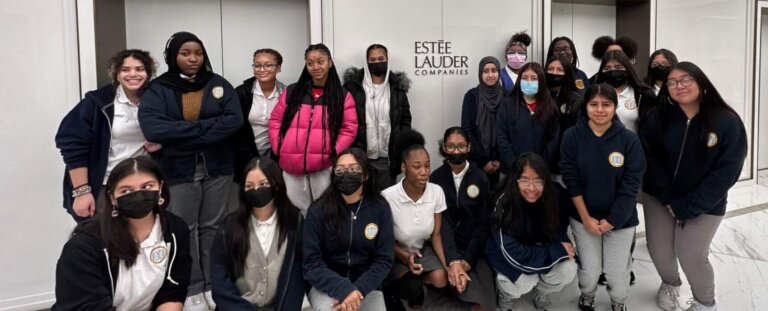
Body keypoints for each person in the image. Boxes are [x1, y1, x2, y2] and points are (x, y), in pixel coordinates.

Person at [138, 31, 243, 310]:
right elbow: (154, 128)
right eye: (185, 53)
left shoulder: (218, 84)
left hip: (218, 168)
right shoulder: (158, 89)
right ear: (173, 56)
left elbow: (233, 122)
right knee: (184, 229)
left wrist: (177, 139)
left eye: (197, 52)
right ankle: (192, 287)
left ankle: (213, 284)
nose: (193, 58)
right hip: (178, 171)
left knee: (214, 227)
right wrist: (207, 128)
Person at [639, 62, 747, 311]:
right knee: (659, 249)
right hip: (660, 196)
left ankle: (704, 301)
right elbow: (648, 158)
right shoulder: (658, 117)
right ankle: (670, 283)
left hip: (706, 201)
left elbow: (727, 171)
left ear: (701, 82)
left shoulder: (726, 121)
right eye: (673, 82)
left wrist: (691, 205)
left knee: (691, 254)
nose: (679, 86)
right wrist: (668, 196)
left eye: (686, 79)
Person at [53, 156, 191, 310]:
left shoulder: (175, 229)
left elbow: (173, 291)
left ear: (160, 188)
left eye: (147, 187)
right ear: (112, 198)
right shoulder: (84, 246)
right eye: (126, 190)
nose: (138, 196)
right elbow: (88, 306)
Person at [560, 84, 646, 311]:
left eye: (606, 105)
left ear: (615, 107)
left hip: (621, 219)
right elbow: (571, 180)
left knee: (616, 270)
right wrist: (586, 218)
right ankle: (587, 295)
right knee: (589, 268)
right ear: (585, 107)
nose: (600, 110)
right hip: (583, 217)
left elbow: (631, 187)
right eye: (594, 104)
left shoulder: (629, 141)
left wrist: (613, 220)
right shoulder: (572, 136)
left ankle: (619, 301)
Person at [55, 49, 160, 222]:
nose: (133, 74)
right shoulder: (97, 103)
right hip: (105, 186)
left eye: (139, 69)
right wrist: (82, 192)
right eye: (125, 69)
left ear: (148, 73)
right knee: (103, 242)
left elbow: (171, 130)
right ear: (116, 74)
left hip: (142, 185)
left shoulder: (157, 100)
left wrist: (161, 143)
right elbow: (72, 144)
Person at [268, 43, 358, 213]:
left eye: (320, 61)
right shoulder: (292, 91)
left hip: (324, 166)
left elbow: (349, 128)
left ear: (330, 62)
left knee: (325, 211)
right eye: (310, 63)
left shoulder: (342, 95)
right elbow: (275, 120)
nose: (315, 67)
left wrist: (333, 150)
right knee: (296, 213)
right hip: (291, 166)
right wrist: (279, 146)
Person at [303, 148, 395, 311]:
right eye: (340, 170)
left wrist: (357, 290)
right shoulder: (318, 210)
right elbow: (311, 263)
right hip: (326, 286)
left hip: (367, 287)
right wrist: (343, 288)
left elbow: (384, 259)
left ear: (365, 174)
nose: (346, 173)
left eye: (353, 169)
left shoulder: (380, 208)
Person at [210, 156, 304, 310]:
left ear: (277, 185)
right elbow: (220, 282)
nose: (256, 190)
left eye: (263, 184)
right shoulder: (228, 227)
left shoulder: (296, 224)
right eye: (249, 186)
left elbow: (296, 281)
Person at [486, 152, 576, 311]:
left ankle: (541, 291)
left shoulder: (554, 195)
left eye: (538, 181)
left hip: (537, 247)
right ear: (515, 180)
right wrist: (555, 252)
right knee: (525, 282)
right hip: (507, 256)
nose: (532, 188)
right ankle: (506, 293)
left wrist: (557, 250)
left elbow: (559, 232)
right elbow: (513, 255)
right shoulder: (503, 203)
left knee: (568, 269)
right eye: (525, 181)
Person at [382, 130, 449, 308]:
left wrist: (446, 265)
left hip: (421, 250)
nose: (424, 172)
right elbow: (383, 240)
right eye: (417, 166)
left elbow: (435, 235)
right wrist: (404, 256)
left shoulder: (436, 192)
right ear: (404, 168)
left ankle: (419, 283)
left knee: (441, 279)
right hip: (396, 253)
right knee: (411, 288)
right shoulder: (387, 197)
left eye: (427, 165)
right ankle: (398, 289)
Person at [430, 127, 491, 309]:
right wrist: (453, 259)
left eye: (461, 146)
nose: (456, 151)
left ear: (469, 148)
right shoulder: (436, 178)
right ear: (444, 149)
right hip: (446, 244)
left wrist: (468, 259)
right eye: (450, 147)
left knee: (486, 303)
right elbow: (442, 223)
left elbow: (484, 223)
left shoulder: (481, 178)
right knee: (448, 280)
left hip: (474, 247)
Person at [344, 43, 412, 190]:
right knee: (361, 199)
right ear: (366, 61)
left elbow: (405, 121)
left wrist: (401, 147)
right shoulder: (353, 87)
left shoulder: (397, 88)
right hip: (361, 156)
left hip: (388, 159)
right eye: (372, 60)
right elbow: (345, 121)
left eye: (381, 58)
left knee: (385, 200)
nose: (377, 63)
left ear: (387, 59)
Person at [233, 49, 286, 183]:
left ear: (278, 68)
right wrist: (247, 156)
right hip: (246, 156)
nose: (262, 69)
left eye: (268, 65)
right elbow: (235, 129)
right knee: (250, 197)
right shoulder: (241, 93)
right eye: (257, 65)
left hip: (276, 158)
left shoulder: (286, 93)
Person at [497, 62, 559, 174]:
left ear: (541, 81)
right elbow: (502, 138)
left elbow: (553, 140)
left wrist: (540, 166)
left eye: (534, 78)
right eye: (524, 78)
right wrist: (514, 165)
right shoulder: (507, 104)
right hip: (511, 171)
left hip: (540, 171)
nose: (529, 81)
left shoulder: (550, 106)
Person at [461, 57, 503, 188]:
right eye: (486, 71)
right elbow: (467, 130)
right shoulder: (471, 96)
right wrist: (484, 161)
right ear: (480, 73)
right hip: (477, 162)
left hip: (503, 164)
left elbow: (510, 131)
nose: (490, 75)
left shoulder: (507, 96)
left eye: (494, 70)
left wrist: (500, 160)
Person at [594, 50, 657, 133]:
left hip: (633, 144)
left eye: (618, 67)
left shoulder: (642, 94)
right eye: (607, 68)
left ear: (627, 69)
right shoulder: (594, 94)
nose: (613, 71)